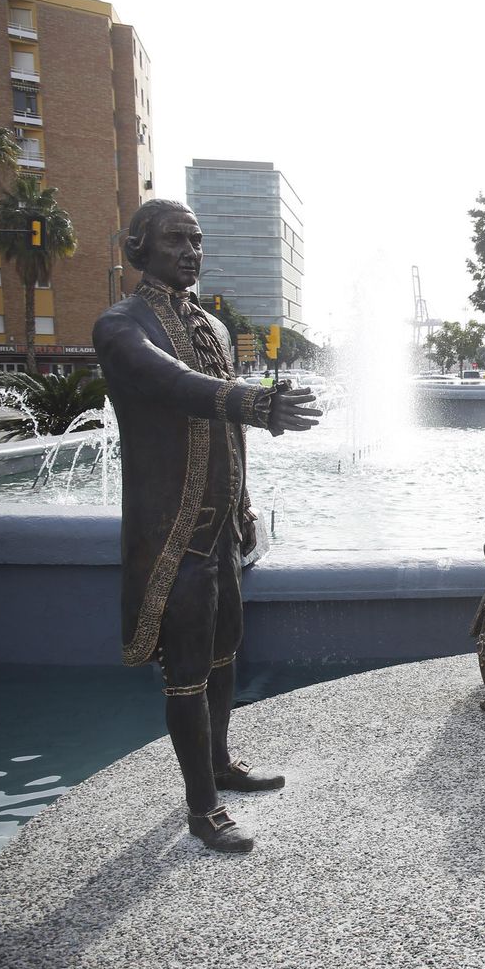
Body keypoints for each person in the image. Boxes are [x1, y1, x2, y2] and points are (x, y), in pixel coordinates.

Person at [93, 199, 322, 854]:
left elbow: (222, 429)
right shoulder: (120, 325)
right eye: (175, 240)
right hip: (170, 530)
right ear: (139, 247)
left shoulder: (216, 330)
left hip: (219, 526)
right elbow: (172, 383)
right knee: (186, 669)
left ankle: (220, 761)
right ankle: (202, 807)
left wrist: (244, 500)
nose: (191, 251)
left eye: (196, 240)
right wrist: (249, 401)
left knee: (226, 650)